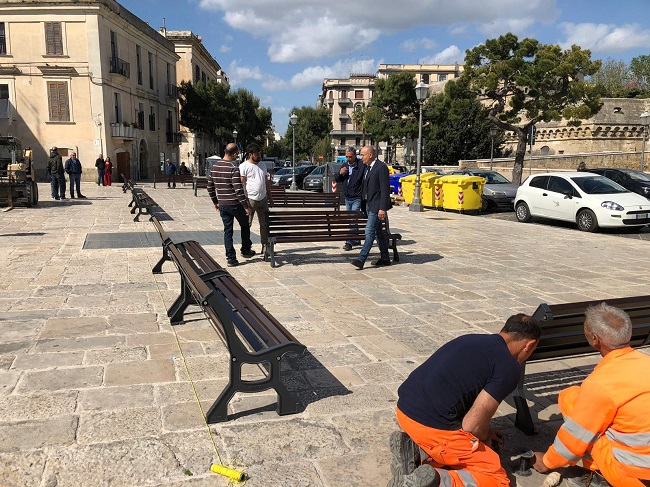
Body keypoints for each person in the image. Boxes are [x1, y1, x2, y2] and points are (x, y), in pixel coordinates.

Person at [389, 314, 541, 487]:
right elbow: (472, 426)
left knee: (466, 445)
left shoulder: (471, 339)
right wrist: (484, 438)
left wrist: (485, 429)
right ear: (529, 345)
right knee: (496, 479)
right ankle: (437, 481)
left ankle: (417, 452)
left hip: (404, 410)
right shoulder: (509, 367)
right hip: (430, 428)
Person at [533, 303, 650, 487]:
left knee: (570, 399)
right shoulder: (645, 362)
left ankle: (597, 473)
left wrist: (547, 461)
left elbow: (573, 440)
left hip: (634, 475)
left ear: (595, 339)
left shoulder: (601, 383)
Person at [206, 143, 255, 267]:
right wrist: (246, 206)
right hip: (235, 204)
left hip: (223, 205)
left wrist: (215, 202)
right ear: (233, 154)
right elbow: (238, 190)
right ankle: (245, 250)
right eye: (236, 154)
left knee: (228, 231)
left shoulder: (214, 167)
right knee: (245, 225)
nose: (236, 156)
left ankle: (231, 258)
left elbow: (209, 187)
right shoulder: (233, 168)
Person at [350, 145, 392, 269]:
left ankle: (361, 259)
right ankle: (385, 258)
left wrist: (382, 208)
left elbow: (384, 190)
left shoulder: (381, 167)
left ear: (370, 155)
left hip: (376, 206)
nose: (360, 157)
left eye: (362, 155)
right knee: (378, 232)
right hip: (368, 205)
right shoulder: (367, 167)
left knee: (369, 231)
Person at [239, 143, 273, 257]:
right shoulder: (244, 166)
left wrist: (270, 196)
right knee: (247, 224)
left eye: (260, 153)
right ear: (250, 154)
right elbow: (242, 183)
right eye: (257, 154)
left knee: (264, 224)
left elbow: (266, 181)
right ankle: (246, 247)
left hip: (263, 199)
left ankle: (265, 245)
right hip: (250, 199)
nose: (259, 156)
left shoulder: (263, 165)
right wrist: (244, 200)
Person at [336, 146, 366, 251]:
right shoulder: (345, 165)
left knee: (353, 219)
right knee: (351, 219)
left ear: (355, 156)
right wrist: (340, 173)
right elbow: (337, 179)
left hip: (357, 197)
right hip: (347, 197)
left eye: (350, 157)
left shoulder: (361, 165)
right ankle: (356, 239)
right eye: (346, 157)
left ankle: (349, 241)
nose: (348, 159)